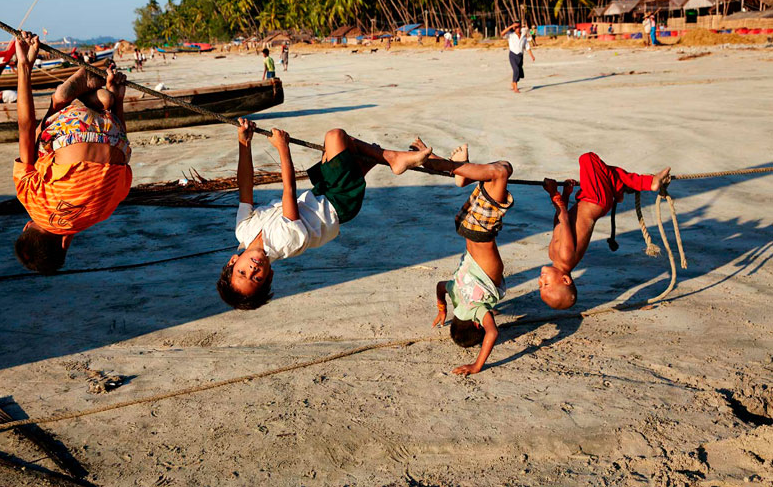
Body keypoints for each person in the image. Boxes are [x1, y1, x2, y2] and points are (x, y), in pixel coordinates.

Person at [217, 119, 433, 310]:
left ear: (233, 261)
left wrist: (244, 143)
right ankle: (391, 160)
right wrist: (283, 148)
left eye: (242, 272)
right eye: (257, 278)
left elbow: (245, 188)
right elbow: (289, 191)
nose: (253, 269)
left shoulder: (243, 231)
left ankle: (374, 161)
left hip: (320, 193)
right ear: (269, 276)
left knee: (350, 146)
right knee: (335, 136)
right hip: (338, 203)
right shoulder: (284, 243)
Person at [12, 32, 132, 275]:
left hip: (114, 134)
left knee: (116, 158)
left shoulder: (102, 214)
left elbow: (121, 160)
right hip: (71, 131)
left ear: (66, 242)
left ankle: (104, 100)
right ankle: (59, 102)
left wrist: (118, 100)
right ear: (26, 227)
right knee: (32, 152)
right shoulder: (30, 202)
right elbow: (25, 128)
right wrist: (24, 66)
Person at [414, 139, 513, 377]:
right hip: (465, 225)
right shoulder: (458, 298)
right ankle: (463, 172)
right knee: (489, 179)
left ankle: (446, 165)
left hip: (481, 231)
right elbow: (439, 286)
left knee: (502, 171)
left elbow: (492, 333)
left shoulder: (477, 312)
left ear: (476, 324)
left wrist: (477, 365)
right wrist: (442, 309)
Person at [538, 153, 671, 310]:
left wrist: (566, 195)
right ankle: (624, 188)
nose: (541, 280)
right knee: (587, 158)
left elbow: (558, 224)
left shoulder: (553, 255)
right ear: (565, 280)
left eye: (540, 285)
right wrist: (554, 193)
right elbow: (565, 220)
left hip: (589, 198)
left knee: (609, 173)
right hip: (596, 200)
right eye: (546, 283)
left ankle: (629, 186)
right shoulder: (566, 258)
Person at [500, 22, 535, 93]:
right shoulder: (511, 35)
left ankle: (513, 82)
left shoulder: (523, 37)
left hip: (520, 56)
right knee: (516, 70)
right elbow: (502, 33)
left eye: (519, 27)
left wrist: (532, 56)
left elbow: (527, 47)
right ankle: (515, 87)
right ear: (514, 28)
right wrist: (511, 26)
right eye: (516, 27)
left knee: (520, 73)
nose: (518, 28)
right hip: (512, 55)